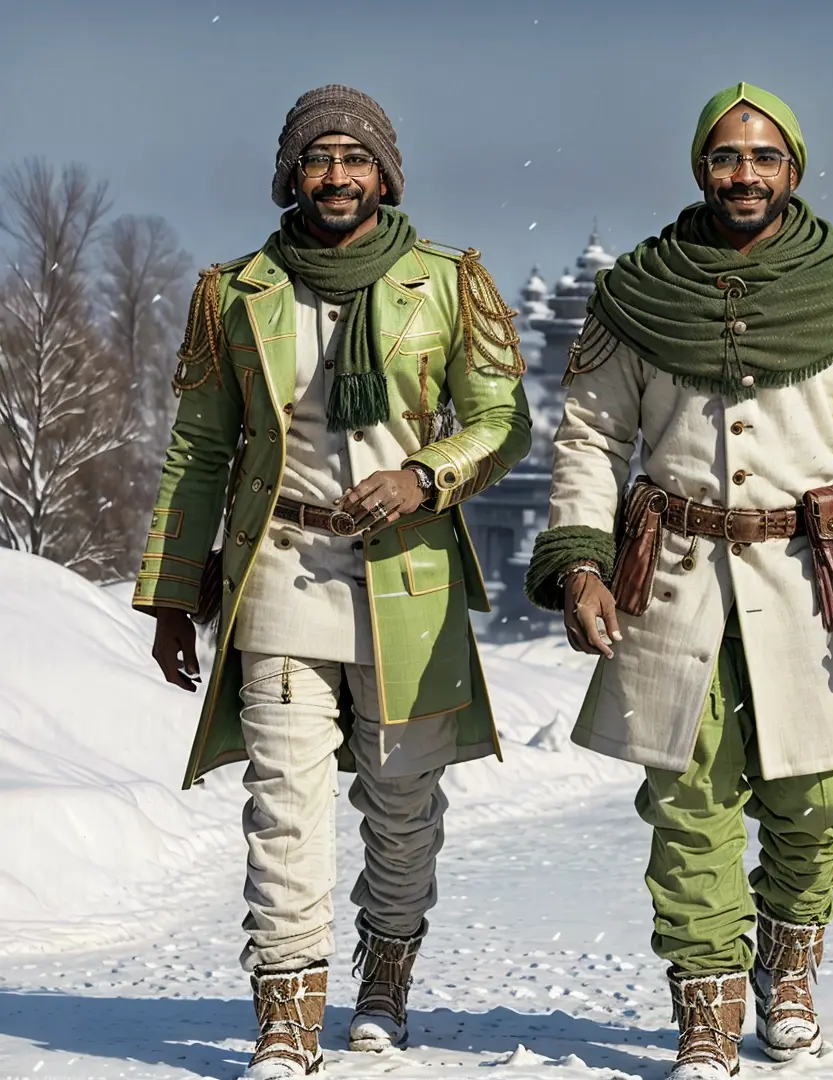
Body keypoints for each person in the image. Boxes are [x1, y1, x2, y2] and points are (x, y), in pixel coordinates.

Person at [525, 82, 833, 1078]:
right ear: (700, 167)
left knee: (816, 804)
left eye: (764, 157)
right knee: (688, 807)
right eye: (727, 156)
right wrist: (580, 562)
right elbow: (590, 437)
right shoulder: (639, 292)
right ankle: (707, 1005)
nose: (745, 174)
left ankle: (789, 967)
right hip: (673, 583)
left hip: (817, 587)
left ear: (793, 170)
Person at [133, 84, 531, 1079]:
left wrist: (426, 475)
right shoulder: (237, 292)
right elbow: (199, 451)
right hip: (278, 573)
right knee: (283, 805)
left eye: (356, 157)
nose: (338, 175)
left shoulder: (445, 283)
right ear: (290, 174)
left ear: (385, 173)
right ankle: (285, 1007)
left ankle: (384, 976)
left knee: (402, 807)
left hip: (410, 582)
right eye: (319, 158)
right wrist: (175, 594)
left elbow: (503, 419)